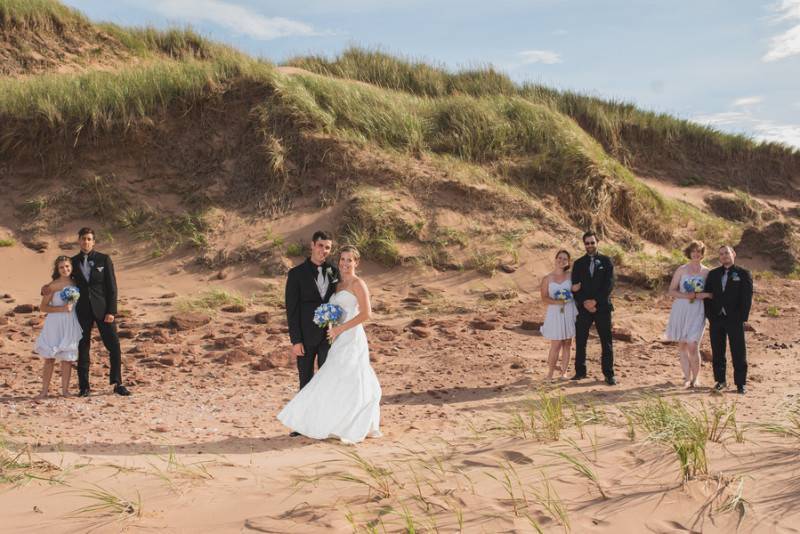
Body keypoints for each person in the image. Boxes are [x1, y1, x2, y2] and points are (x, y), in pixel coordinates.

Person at [278, 246, 382, 444]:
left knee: (350, 377)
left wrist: (340, 330)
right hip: (336, 336)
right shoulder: (337, 283)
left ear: (356, 263)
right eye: (342, 259)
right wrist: (329, 323)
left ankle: (352, 422)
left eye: (349, 260)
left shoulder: (358, 283)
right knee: (334, 378)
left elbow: (366, 314)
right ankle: (331, 421)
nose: (345, 263)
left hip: (351, 337)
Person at [70, 227, 129, 397]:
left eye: (89, 239)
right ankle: (84, 387)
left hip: (103, 310)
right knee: (83, 347)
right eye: (83, 238)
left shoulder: (104, 259)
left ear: (94, 242)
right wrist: (48, 288)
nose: (86, 242)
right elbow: (62, 280)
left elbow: (112, 287)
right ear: (78, 241)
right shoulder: (72, 262)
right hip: (81, 311)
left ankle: (117, 383)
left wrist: (112, 310)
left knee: (114, 346)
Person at [704, 245, 753, 394]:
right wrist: (710, 315)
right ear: (719, 257)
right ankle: (720, 381)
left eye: (727, 253)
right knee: (718, 351)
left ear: (733, 254)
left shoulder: (743, 274)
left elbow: (747, 297)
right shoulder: (713, 274)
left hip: (735, 319)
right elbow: (708, 295)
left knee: (738, 351)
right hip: (716, 318)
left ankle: (740, 384)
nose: (724, 256)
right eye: (721, 254)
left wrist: (742, 317)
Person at [570, 231, 617, 385]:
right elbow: (575, 286)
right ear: (584, 244)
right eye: (587, 243)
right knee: (581, 340)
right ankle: (580, 372)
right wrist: (584, 302)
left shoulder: (606, 261)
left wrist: (595, 302)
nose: (589, 245)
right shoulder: (578, 264)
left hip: (602, 307)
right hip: (583, 308)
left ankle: (609, 374)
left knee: (606, 341)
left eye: (592, 242)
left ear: (597, 243)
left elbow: (609, 284)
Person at [665, 240, 711, 388]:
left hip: (698, 310)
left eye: (699, 251)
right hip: (681, 308)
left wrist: (700, 295)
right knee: (683, 344)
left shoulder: (707, 272)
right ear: (689, 253)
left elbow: (711, 293)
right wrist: (687, 296)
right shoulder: (682, 270)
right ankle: (686, 377)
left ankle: (696, 378)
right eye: (693, 251)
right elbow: (671, 290)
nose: (696, 254)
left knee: (693, 344)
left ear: (702, 254)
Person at [34, 256, 82, 398]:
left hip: (70, 322)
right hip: (54, 323)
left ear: (71, 267)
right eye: (61, 267)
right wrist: (61, 309)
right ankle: (44, 392)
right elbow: (43, 307)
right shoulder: (53, 285)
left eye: (67, 266)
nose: (65, 269)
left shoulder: (76, 283)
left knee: (67, 358)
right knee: (49, 358)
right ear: (57, 269)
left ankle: (65, 391)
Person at [539, 250, 579, 380]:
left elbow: (575, 290)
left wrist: (575, 290)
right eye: (560, 258)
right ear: (555, 259)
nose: (562, 260)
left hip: (569, 310)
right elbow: (544, 298)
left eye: (565, 259)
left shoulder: (571, 276)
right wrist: (557, 302)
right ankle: (550, 374)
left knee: (568, 342)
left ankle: (564, 373)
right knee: (555, 344)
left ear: (568, 262)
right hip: (555, 312)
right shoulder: (547, 279)